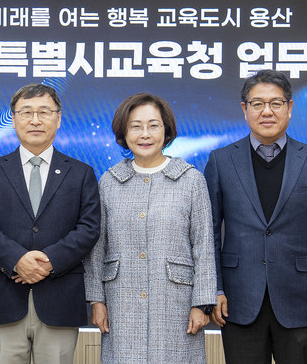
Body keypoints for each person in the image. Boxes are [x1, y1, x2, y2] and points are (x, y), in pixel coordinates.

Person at [203, 69, 307, 364]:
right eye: (257, 104)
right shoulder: (221, 160)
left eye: (276, 103)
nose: (267, 111)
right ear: (245, 109)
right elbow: (209, 233)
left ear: (289, 108)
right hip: (238, 301)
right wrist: (214, 288)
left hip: (302, 301)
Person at [0, 83, 100, 364]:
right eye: (26, 112)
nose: (35, 120)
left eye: (44, 112)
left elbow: (89, 228)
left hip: (60, 299)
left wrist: (49, 261)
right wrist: (17, 260)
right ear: (13, 119)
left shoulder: (81, 173)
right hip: (5, 297)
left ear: (58, 118)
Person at [84, 93, 217, 363]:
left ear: (166, 130)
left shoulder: (191, 180)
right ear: (124, 133)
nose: (145, 134)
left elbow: (203, 245)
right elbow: (97, 247)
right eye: (136, 126)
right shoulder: (109, 182)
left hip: (176, 302)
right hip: (121, 301)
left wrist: (201, 304)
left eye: (153, 125)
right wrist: (97, 300)